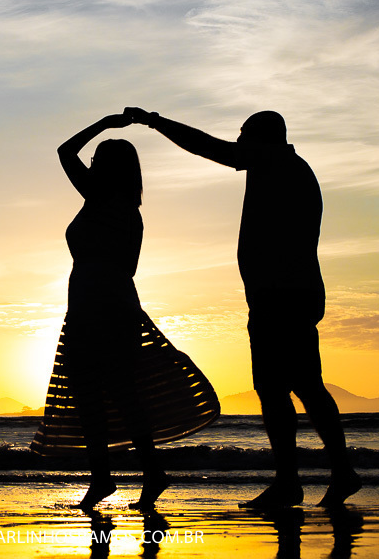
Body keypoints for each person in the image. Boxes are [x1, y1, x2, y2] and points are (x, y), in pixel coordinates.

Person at [123, 107, 361, 509]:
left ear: (260, 138)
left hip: (280, 296)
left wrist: (155, 121)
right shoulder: (289, 167)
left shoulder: (274, 161)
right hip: (288, 294)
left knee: (282, 389)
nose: (238, 144)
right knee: (297, 387)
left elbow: (209, 148)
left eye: (243, 136)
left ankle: (306, 479)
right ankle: (322, 475)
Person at [30, 113, 220, 510]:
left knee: (100, 395)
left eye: (98, 162)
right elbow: (127, 267)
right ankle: (137, 475)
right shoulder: (128, 211)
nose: (92, 167)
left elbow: (65, 152)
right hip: (103, 303)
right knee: (112, 395)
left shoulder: (101, 200)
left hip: (98, 305)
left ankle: (115, 478)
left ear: (107, 170)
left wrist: (105, 123)